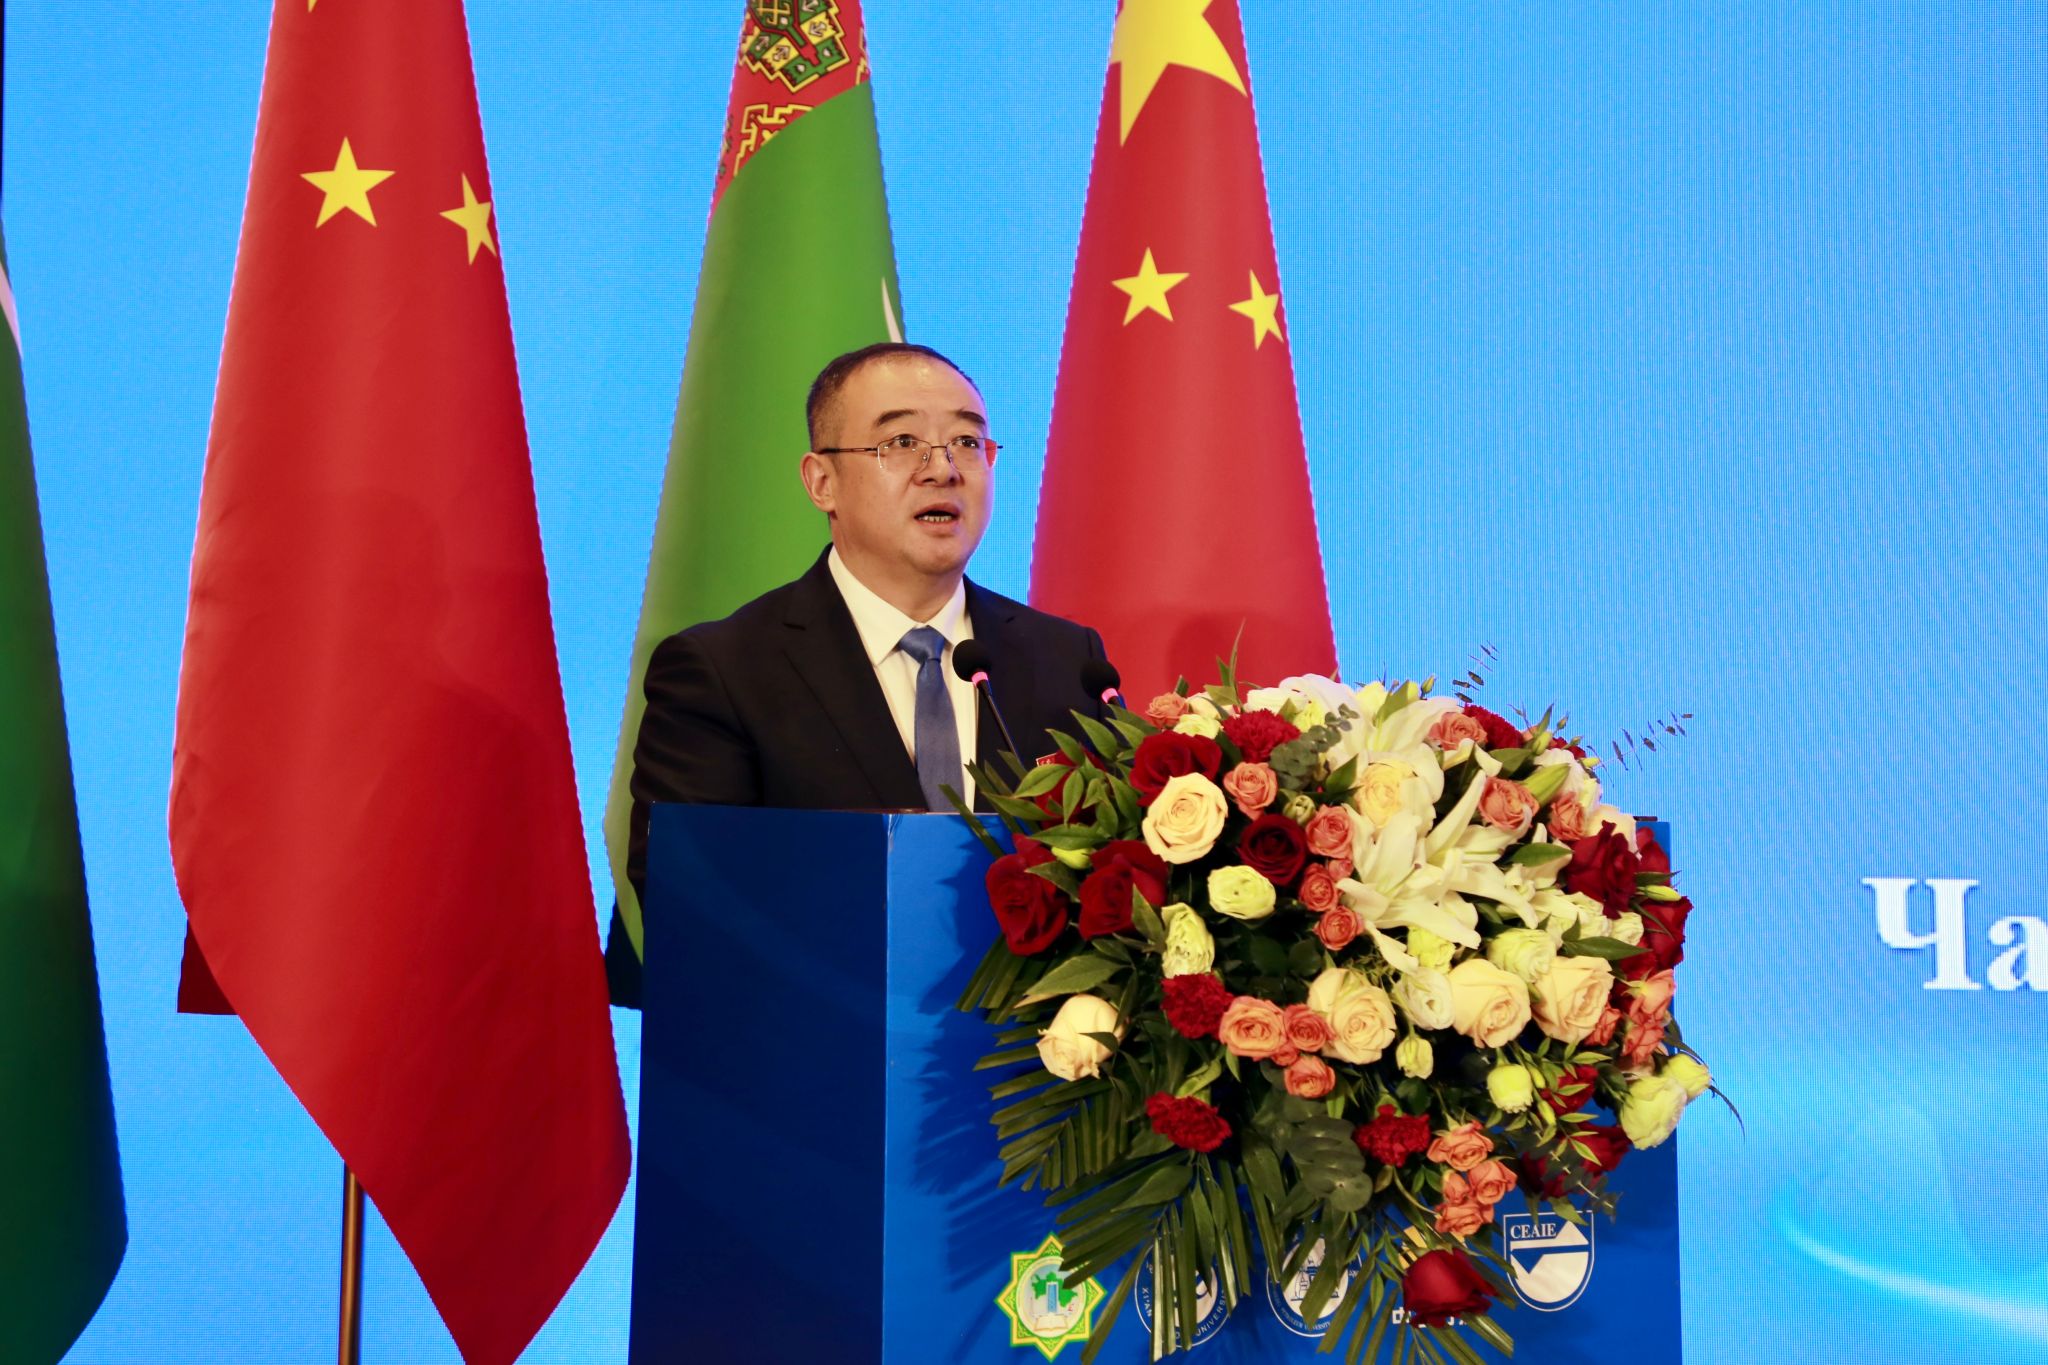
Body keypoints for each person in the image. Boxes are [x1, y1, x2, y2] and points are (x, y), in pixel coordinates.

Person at [610, 343, 1115, 1001]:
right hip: (812, 1044)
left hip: (1034, 1053)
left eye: (967, 442)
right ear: (822, 481)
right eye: (902, 442)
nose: (944, 470)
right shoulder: (722, 672)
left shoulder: (1067, 660)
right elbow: (691, 903)